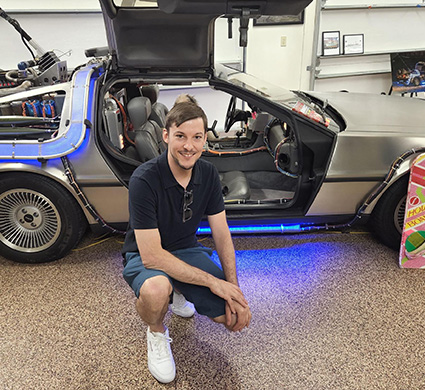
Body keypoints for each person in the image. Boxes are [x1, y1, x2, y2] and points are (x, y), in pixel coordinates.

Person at [122, 101, 252, 383]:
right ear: (166, 136)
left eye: (197, 137)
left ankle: (180, 288)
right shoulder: (143, 180)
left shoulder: (208, 174)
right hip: (145, 255)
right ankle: (156, 332)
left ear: (205, 139)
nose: (188, 146)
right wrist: (213, 282)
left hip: (186, 249)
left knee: (228, 319)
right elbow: (152, 257)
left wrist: (234, 290)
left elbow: (221, 232)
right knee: (157, 289)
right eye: (180, 136)